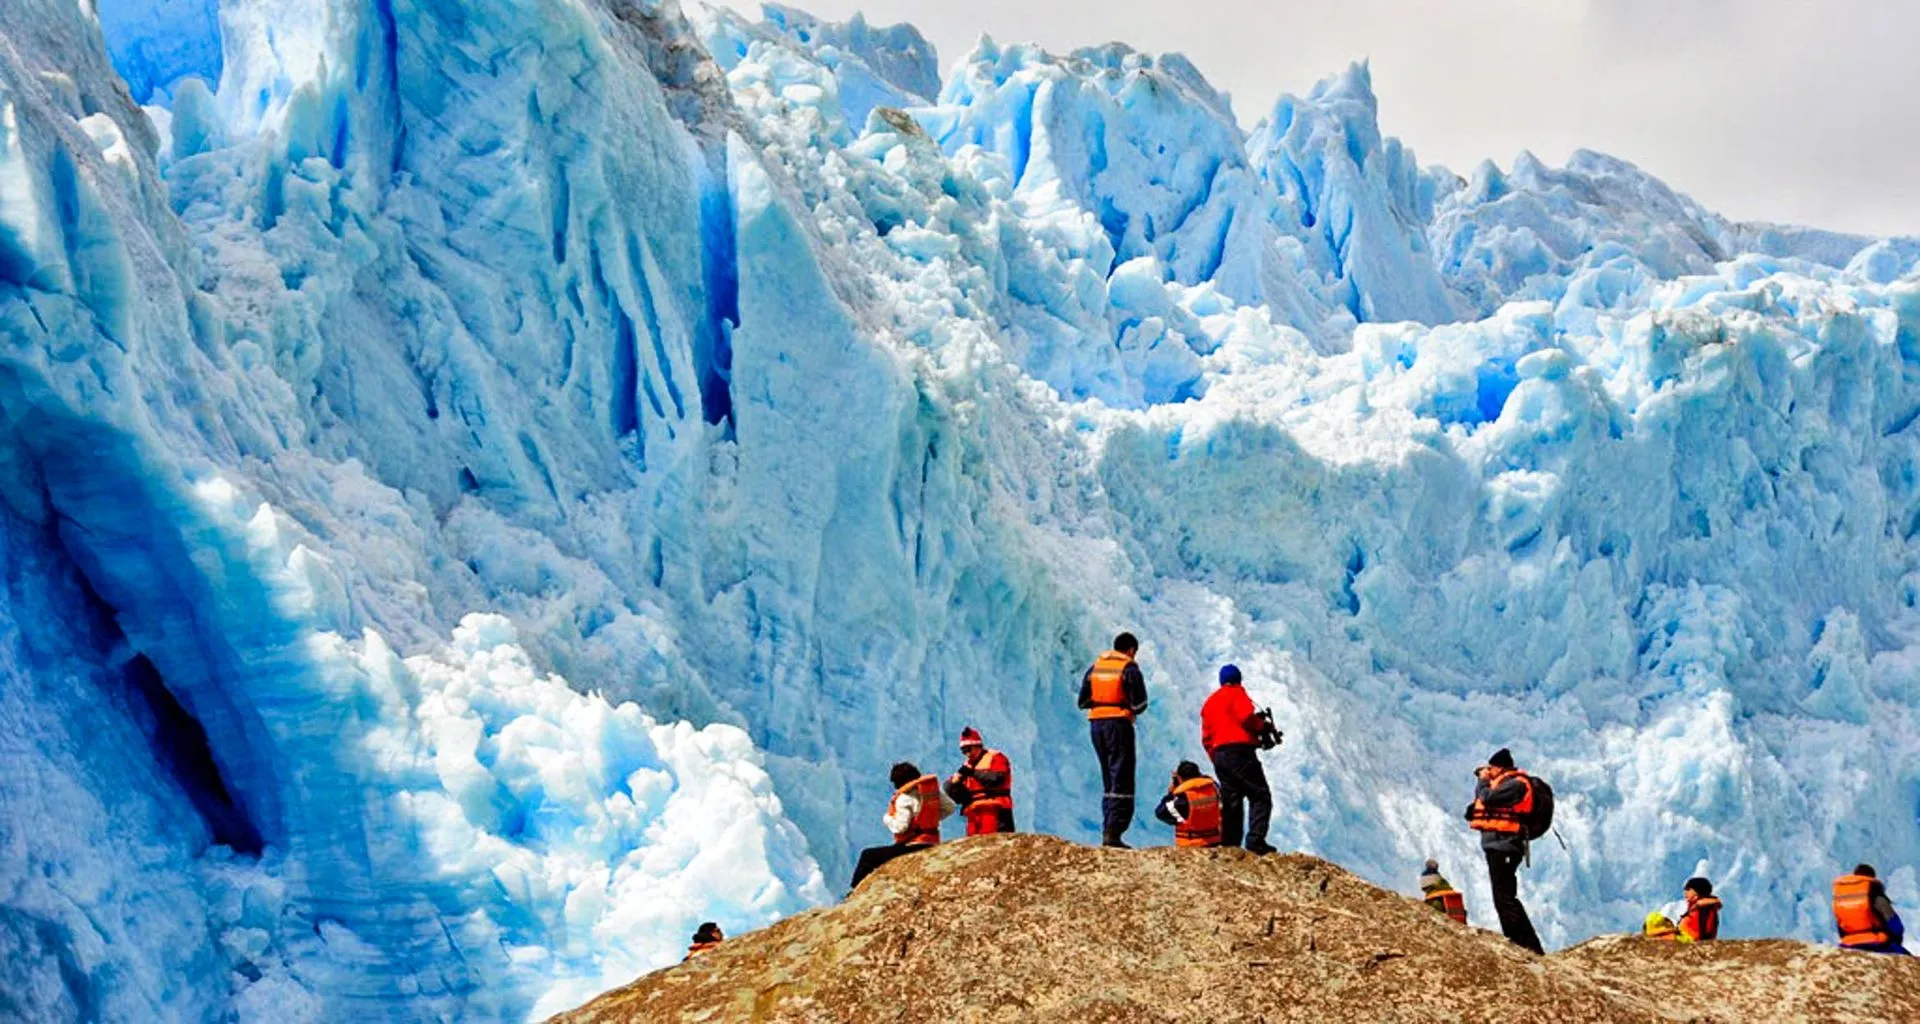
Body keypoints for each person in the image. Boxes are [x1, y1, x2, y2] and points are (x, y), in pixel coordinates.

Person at [1465, 748, 1545, 954]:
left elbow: (1488, 797)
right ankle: (1525, 942)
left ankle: (1524, 943)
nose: (1488, 772)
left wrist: (1482, 780)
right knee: (1503, 896)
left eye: (1490, 768)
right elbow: (1485, 806)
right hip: (1498, 847)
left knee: (1504, 897)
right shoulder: (1504, 786)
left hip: (1507, 846)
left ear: (1499, 767)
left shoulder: (1516, 784)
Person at [1079, 632, 1149, 848]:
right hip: (1118, 724)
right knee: (1122, 775)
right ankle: (1114, 832)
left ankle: (1108, 827)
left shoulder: (1095, 668)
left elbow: (1083, 701)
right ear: (1131, 650)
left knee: (1108, 776)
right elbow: (1140, 704)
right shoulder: (1129, 668)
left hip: (1096, 725)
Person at [1199, 664, 1276, 855]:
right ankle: (1255, 841)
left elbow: (1206, 738)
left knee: (1232, 799)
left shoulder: (1209, 703)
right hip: (1239, 752)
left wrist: (1216, 758)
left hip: (1220, 755)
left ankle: (1230, 845)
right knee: (1260, 795)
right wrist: (1262, 727)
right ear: (1239, 680)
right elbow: (1246, 717)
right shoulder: (1236, 693)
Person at [849, 762, 955, 891]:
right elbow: (950, 808)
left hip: (913, 845)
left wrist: (887, 819)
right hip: (931, 840)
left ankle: (855, 889)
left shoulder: (904, 798)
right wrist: (929, 820)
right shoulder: (932, 792)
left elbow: (901, 827)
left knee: (868, 855)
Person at [945, 727, 1015, 835]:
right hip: (975, 815)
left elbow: (996, 779)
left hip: (995, 811)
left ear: (978, 746)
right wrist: (953, 784)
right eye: (964, 751)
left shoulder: (996, 757)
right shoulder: (966, 767)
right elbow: (952, 791)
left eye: (969, 749)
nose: (967, 754)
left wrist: (972, 772)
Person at [1834, 864, 1910, 955]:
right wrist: (1896, 939)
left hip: (1847, 944)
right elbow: (1895, 925)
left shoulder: (1842, 898)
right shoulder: (1874, 895)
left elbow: (1840, 928)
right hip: (1875, 943)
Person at [1153, 761, 1222, 848]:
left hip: (1191, 843)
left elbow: (1161, 812)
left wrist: (1171, 794)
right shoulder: (1214, 788)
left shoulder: (1183, 799)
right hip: (1214, 840)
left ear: (1180, 778)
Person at [1420, 859, 1468, 925]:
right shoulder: (1440, 879)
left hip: (1438, 900)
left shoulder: (1427, 876)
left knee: (1436, 905)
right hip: (1446, 898)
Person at [1678, 877, 1722, 942]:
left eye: (1688, 889)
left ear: (1698, 891)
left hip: (1689, 941)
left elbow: (1704, 934)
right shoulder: (1696, 907)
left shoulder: (1704, 908)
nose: (1685, 892)